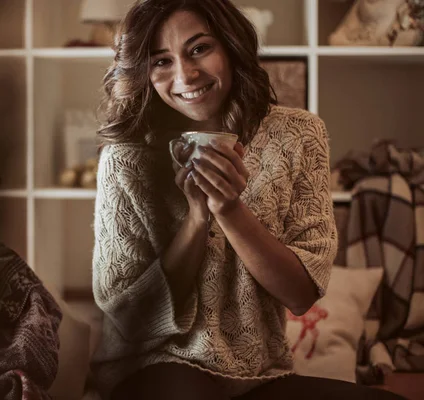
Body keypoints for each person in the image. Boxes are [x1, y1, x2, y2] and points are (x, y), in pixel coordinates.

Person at [91, 0, 405, 399]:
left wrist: (229, 209)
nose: (185, 75)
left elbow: (300, 295)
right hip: (153, 365)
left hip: (261, 374)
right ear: (143, 72)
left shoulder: (298, 135)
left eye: (199, 49)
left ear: (230, 46)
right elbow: (128, 313)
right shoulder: (126, 157)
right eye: (160, 61)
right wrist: (196, 218)